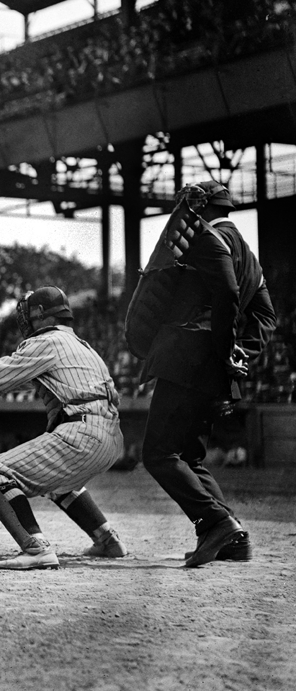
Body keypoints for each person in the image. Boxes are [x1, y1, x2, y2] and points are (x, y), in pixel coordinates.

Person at [0, 286, 127, 570]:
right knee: (60, 483)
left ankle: (36, 548)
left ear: (39, 313)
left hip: (82, 432)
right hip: (112, 438)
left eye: (28, 313)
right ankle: (108, 539)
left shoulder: (46, 341)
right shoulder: (85, 347)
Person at [137, 181, 277, 567]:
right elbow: (266, 317)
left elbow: (228, 295)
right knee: (191, 457)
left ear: (199, 208)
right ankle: (231, 537)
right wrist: (238, 353)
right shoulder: (250, 257)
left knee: (159, 453)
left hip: (188, 362)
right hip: (213, 372)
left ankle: (215, 521)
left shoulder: (207, 239)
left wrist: (221, 352)